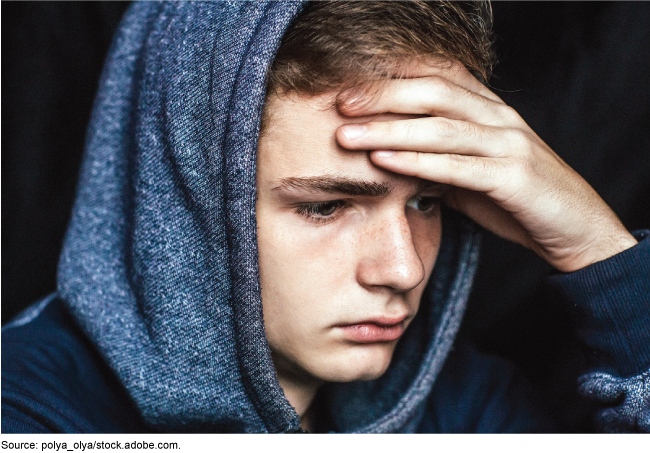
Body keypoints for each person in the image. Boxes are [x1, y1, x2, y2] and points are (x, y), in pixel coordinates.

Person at [2, 0, 649, 433]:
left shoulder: (465, 404)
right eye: (327, 204)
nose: (402, 267)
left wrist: (600, 252)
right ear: (185, 200)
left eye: (427, 200)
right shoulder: (28, 413)